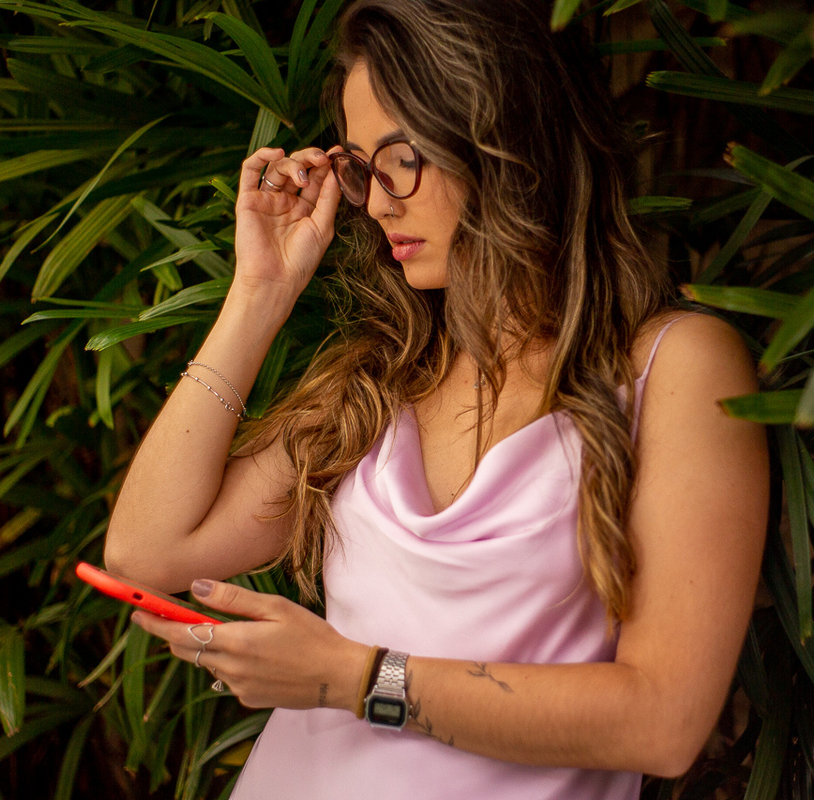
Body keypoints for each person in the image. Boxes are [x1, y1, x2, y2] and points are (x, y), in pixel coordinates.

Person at [104, 0, 768, 797]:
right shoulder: (382, 377)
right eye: (359, 165)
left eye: (402, 157)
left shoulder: (676, 368)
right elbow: (148, 551)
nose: (378, 201)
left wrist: (353, 679)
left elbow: (662, 722)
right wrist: (260, 294)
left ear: (506, 143)